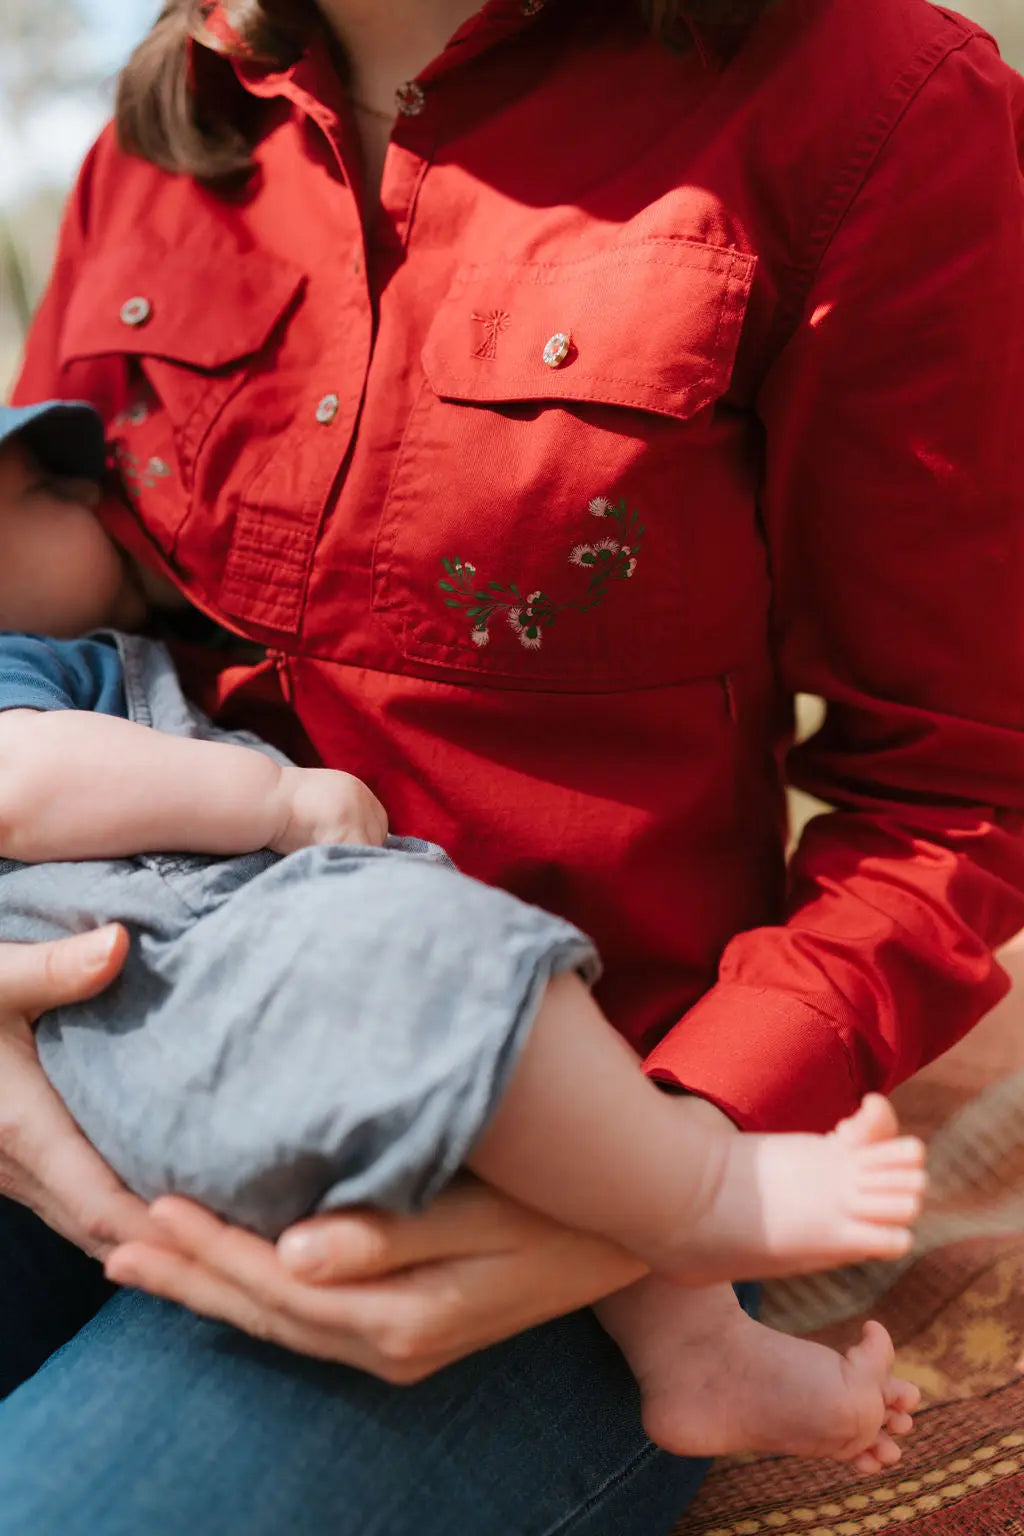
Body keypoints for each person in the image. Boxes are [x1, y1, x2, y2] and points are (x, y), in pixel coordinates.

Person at [0, 0, 1021, 1531]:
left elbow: (958, 796)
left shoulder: (875, 102)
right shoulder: (160, 142)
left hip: (539, 1154)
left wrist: (664, 1188)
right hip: (111, 1048)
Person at [0, 397, 923, 1471]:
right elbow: (23, 783)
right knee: (461, 981)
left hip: (174, 1054)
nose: (94, 496)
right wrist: (279, 806)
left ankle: (701, 1350)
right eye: (43, 492)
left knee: (524, 1061)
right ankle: (708, 1194)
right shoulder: (21, 669)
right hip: (201, 991)